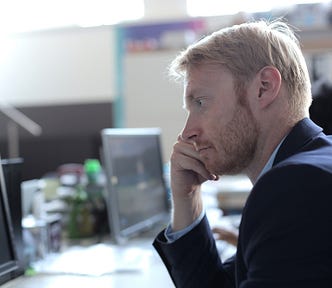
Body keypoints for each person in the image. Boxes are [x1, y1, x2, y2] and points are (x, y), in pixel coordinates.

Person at [153, 19, 332, 287]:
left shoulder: (296, 185)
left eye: (201, 102)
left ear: (264, 87)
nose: (187, 132)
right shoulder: (309, 168)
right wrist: (186, 198)